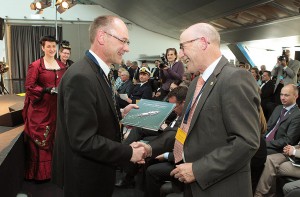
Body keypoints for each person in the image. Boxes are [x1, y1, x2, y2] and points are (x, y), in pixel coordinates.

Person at [134, 22, 260, 197]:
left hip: (220, 187)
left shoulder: (235, 78)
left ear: (202, 42)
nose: (181, 55)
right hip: (192, 186)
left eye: (183, 47)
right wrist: (150, 148)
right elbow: (183, 130)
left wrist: (198, 170)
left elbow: (246, 142)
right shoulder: (195, 84)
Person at [51, 15, 145, 197]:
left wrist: (119, 112)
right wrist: (128, 153)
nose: (127, 48)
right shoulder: (82, 76)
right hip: (86, 177)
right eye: (123, 41)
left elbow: (93, 111)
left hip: (97, 170)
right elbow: (83, 139)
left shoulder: (98, 72)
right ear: (102, 37)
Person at [22, 35, 66, 181]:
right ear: (42, 48)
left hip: (57, 109)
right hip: (40, 109)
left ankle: (55, 171)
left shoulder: (61, 65)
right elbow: (29, 86)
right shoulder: (36, 66)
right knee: (41, 137)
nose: (52, 49)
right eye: (48, 46)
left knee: (56, 137)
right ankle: (41, 174)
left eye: (54, 46)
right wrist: (46, 90)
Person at [265, 84, 300, 154]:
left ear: (296, 96)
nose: (282, 98)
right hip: (265, 141)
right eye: (281, 94)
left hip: (278, 148)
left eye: (286, 95)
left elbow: (288, 140)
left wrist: (265, 143)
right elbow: (267, 128)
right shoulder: (278, 108)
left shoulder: (297, 115)